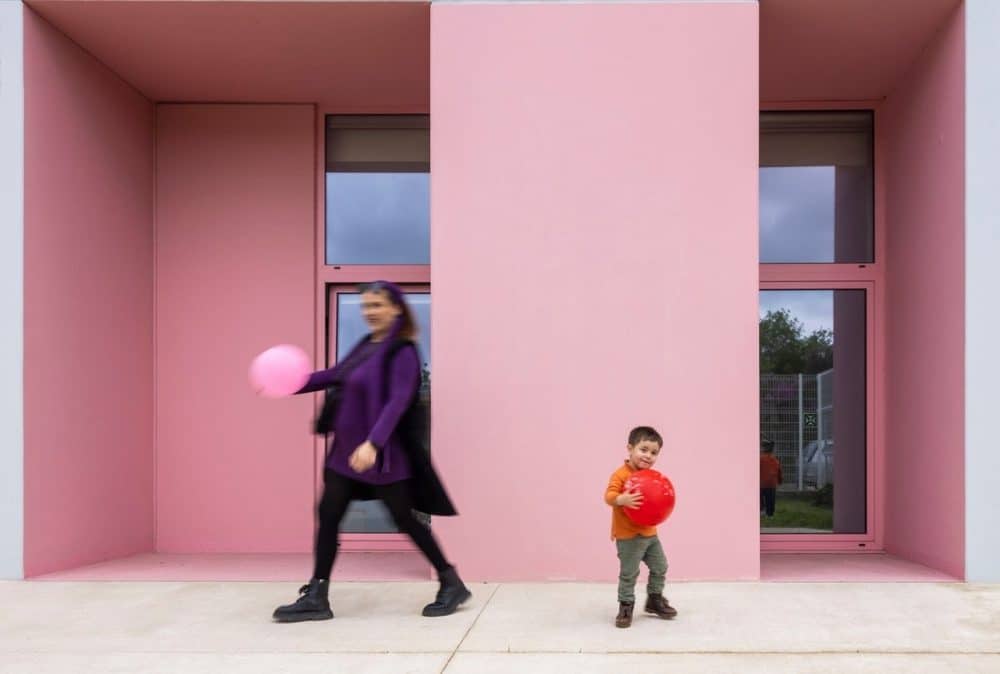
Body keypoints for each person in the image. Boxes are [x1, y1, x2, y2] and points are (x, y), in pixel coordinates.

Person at [272, 280, 470, 622]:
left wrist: (373, 443)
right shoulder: (366, 345)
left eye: (377, 305)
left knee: (405, 520)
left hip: (381, 456)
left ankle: (450, 581)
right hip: (344, 454)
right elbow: (335, 375)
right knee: (329, 514)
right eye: (365, 306)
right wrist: (289, 382)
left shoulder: (403, 351)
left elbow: (398, 401)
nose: (369, 312)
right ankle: (317, 594)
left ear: (395, 308)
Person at [604, 426, 677, 628]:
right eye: (643, 449)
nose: (648, 456)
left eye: (654, 453)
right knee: (629, 573)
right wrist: (622, 498)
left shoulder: (652, 477)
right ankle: (626, 605)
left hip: (650, 533)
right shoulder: (620, 475)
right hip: (628, 536)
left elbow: (658, 501)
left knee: (660, 566)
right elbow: (608, 496)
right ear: (630, 448)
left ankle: (654, 599)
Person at [759, 438, 782, 518]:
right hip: (772, 483)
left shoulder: (760, 459)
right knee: (771, 499)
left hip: (761, 483)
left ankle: (761, 510)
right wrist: (779, 481)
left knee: (760, 497)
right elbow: (779, 471)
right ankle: (770, 514)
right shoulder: (775, 460)